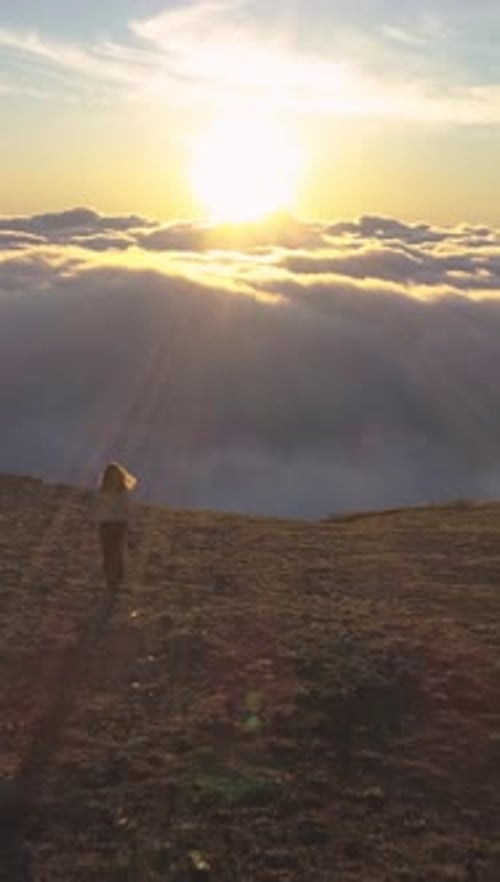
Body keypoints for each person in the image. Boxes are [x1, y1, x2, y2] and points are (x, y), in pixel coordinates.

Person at [97, 462, 137, 589]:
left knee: (115, 551)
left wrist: (127, 524)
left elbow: (126, 509)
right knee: (108, 551)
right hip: (107, 524)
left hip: (117, 524)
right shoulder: (105, 490)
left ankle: (115, 578)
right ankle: (111, 578)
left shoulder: (120, 492)